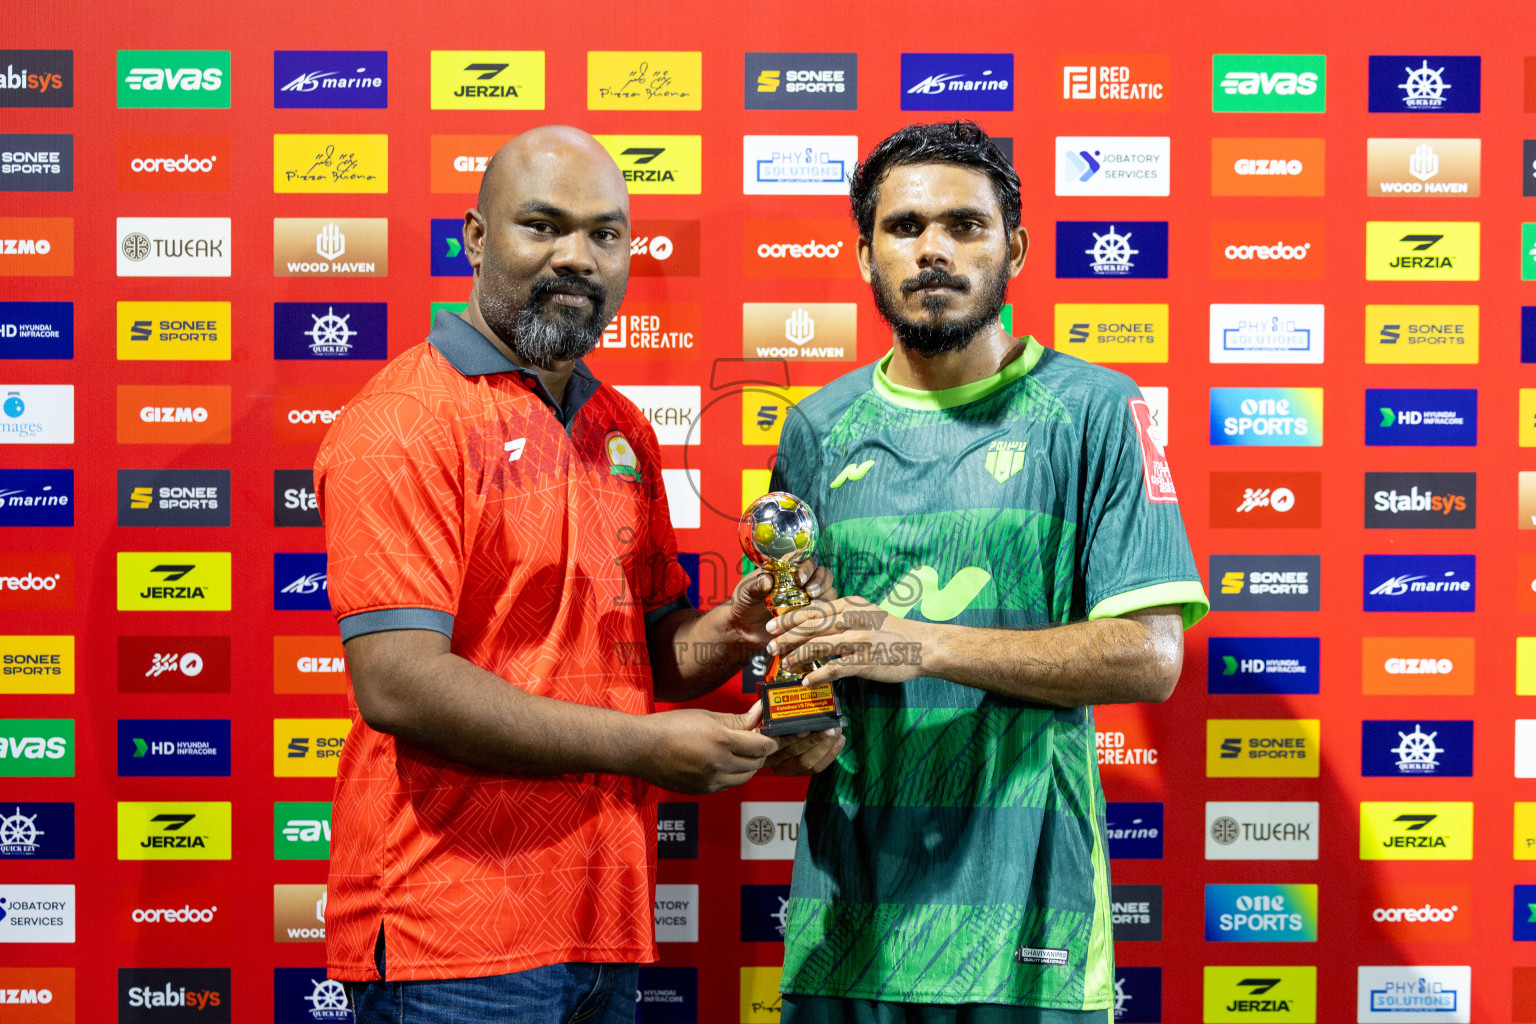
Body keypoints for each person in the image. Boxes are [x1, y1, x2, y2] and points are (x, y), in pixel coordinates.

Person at [313, 125, 840, 1024]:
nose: (577, 257)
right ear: (477, 239)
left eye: (605, 234)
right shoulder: (404, 420)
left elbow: (650, 654)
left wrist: (742, 624)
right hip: (452, 936)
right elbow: (398, 684)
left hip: (605, 925)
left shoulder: (620, 426)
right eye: (543, 226)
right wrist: (645, 747)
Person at [764, 121, 1209, 1024]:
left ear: (1017, 248)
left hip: (1029, 937)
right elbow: (798, 674)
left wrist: (922, 645)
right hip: (848, 935)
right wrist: (796, 727)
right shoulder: (817, 429)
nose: (934, 249)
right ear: (863, 254)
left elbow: (1149, 656)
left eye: (966, 226)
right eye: (906, 227)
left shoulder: (1094, 409)